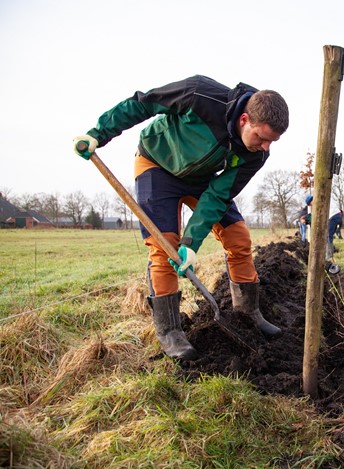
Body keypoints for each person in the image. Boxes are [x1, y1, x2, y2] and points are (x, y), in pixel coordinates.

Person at [72, 75, 289, 360]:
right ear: (244, 119)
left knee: (238, 236)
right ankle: (170, 331)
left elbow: (219, 195)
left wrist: (191, 241)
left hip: (202, 181)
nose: (265, 148)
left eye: (271, 142)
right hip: (157, 166)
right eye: (261, 138)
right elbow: (143, 104)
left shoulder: (256, 154)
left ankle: (248, 313)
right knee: (164, 248)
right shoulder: (200, 94)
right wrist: (98, 133)